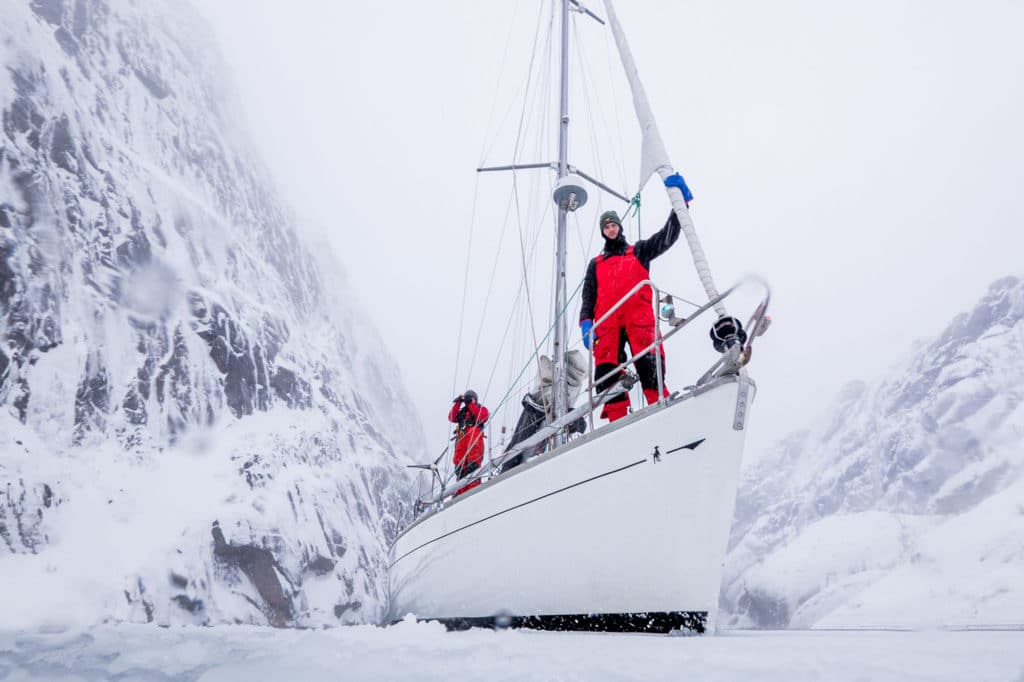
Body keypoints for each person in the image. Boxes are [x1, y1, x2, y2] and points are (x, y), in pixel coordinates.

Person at [578, 173, 690, 422]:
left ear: (619, 226)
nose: (611, 229)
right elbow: (588, 296)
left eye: (613, 225)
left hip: (638, 318)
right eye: (606, 226)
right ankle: (617, 420)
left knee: (649, 362)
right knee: (607, 371)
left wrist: (679, 206)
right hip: (606, 323)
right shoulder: (595, 264)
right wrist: (586, 323)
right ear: (602, 231)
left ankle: (659, 404)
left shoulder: (638, 251)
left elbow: (666, 238)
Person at [448, 390, 489, 495]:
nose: (468, 401)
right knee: (461, 472)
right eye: (467, 399)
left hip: (474, 443)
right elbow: (452, 417)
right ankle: (460, 493)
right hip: (462, 442)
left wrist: (471, 404)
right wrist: (458, 403)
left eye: (470, 398)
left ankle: (473, 492)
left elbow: (482, 417)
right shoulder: (462, 412)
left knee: (473, 471)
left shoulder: (481, 409)